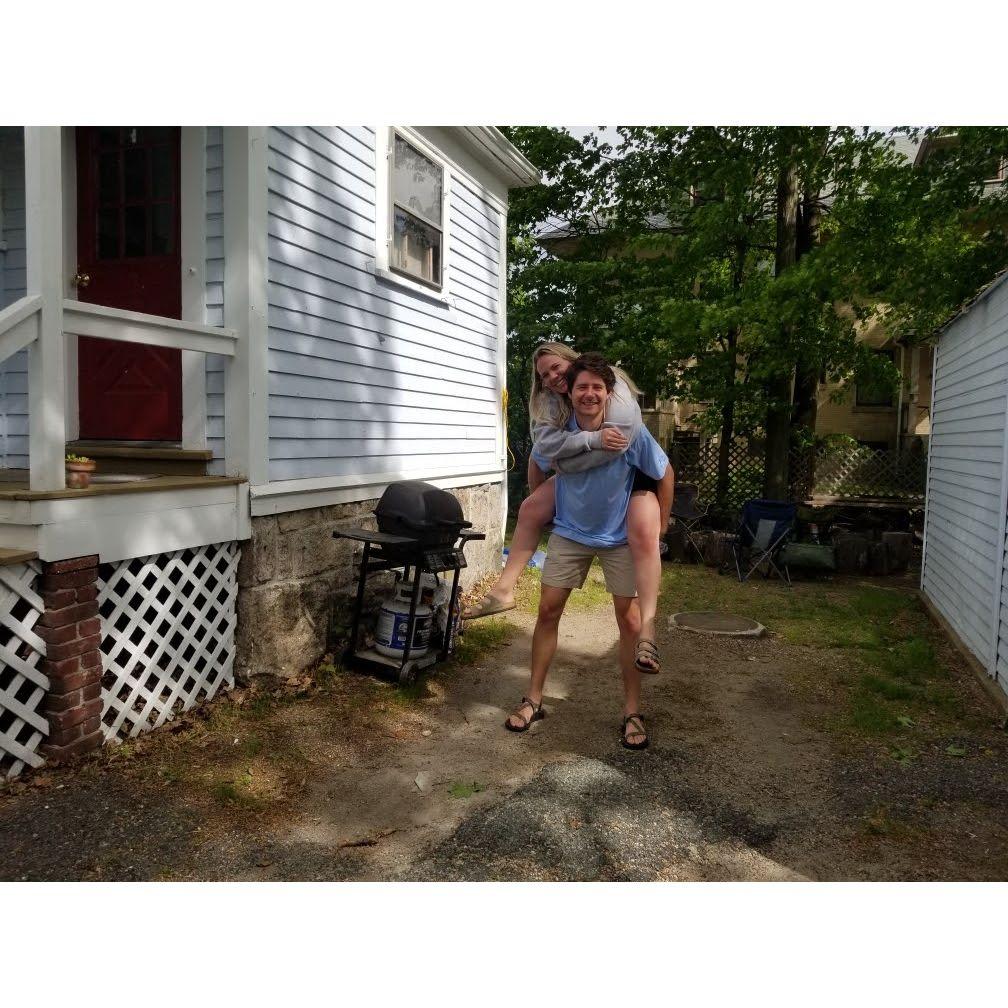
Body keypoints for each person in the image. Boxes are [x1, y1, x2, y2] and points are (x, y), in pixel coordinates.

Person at [463, 341, 670, 675]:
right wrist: (551, 502)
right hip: (576, 490)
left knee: (645, 533)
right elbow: (539, 455)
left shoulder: (613, 394)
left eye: (556, 368)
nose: (551, 378)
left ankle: (648, 625)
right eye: (544, 375)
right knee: (531, 509)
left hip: (632, 484)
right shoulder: (556, 410)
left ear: (572, 364)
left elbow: (650, 460)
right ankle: (503, 591)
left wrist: (665, 523)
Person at [503, 353, 673, 750]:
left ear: (608, 391)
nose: (589, 394)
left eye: (597, 387)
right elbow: (537, 461)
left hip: (619, 538)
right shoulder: (559, 431)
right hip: (570, 532)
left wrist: (662, 525)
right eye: (582, 387)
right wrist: (541, 500)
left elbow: (664, 472)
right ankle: (534, 699)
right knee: (547, 611)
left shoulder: (628, 433)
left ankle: (632, 712)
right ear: (569, 391)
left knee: (629, 624)